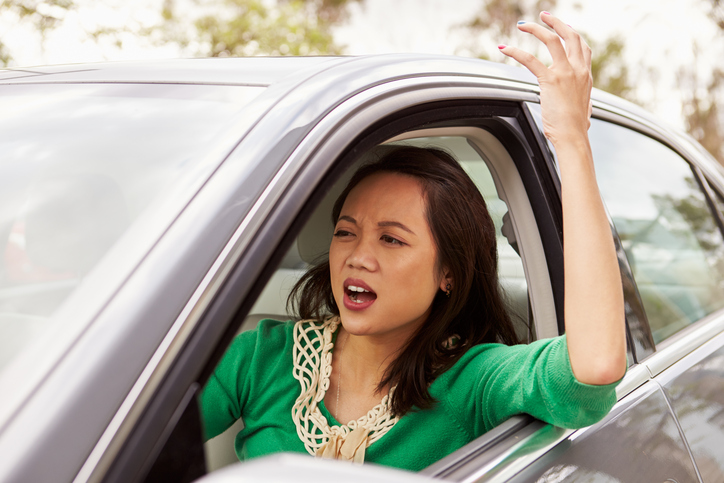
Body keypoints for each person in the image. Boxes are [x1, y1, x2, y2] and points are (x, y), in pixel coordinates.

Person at [200, 11, 626, 472]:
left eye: (391, 240)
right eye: (346, 232)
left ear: (449, 272)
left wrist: (572, 140)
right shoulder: (260, 357)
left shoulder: (472, 381)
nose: (358, 257)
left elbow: (596, 367)